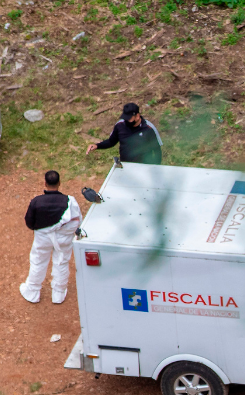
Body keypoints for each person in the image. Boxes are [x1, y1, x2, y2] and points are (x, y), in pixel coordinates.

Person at [20, 170, 82, 304]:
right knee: (61, 262)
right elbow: (77, 221)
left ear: (45, 183)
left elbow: (29, 222)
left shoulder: (36, 202)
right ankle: (58, 294)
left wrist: (42, 230)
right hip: (64, 239)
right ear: (59, 183)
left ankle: (32, 292)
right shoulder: (70, 201)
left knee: (38, 262)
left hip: (42, 238)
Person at [85, 103, 164, 164]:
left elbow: (157, 150)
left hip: (143, 167)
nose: (126, 121)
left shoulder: (149, 128)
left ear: (137, 116)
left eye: (129, 119)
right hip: (125, 166)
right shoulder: (120, 125)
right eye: (125, 118)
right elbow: (111, 141)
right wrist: (97, 146)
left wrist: (154, 167)